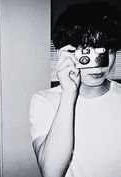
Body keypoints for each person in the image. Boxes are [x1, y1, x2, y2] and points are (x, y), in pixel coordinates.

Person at [29, 1, 121, 177]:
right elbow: (51, 173)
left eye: (107, 50)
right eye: (87, 51)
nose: (100, 65)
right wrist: (69, 94)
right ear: (66, 53)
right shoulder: (45, 101)